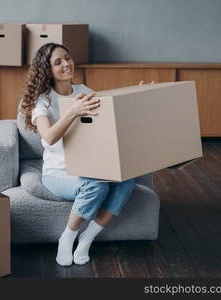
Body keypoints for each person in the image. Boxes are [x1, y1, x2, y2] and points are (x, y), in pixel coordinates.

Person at [19, 43, 137, 266]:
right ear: (47, 70)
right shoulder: (42, 101)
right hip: (58, 173)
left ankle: (86, 239)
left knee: (128, 178)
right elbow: (49, 137)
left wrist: (134, 98)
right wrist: (72, 112)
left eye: (67, 57)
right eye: (58, 62)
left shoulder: (83, 92)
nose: (66, 64)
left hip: (89, 165)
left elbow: (107, 122)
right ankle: (67, 238)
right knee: (96, 186)